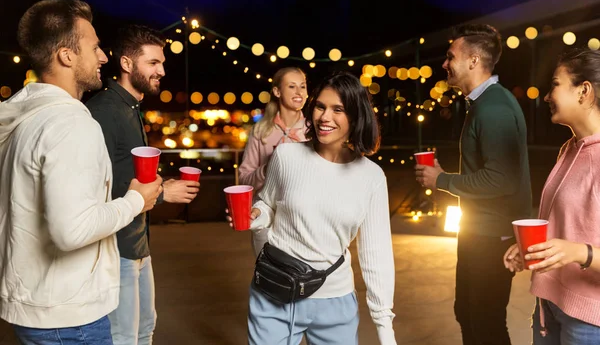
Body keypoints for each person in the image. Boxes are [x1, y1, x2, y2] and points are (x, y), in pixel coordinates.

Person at [0, 0, 162, 345]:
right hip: (69, 317)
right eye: (94, 47)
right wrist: (136, 199)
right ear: (66, 56)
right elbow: (71, 231)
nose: (103, 57)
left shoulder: (27, 116)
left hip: (38, 303)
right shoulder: (71, 123)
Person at [229, 71, 397, 344]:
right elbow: (267, 204)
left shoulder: (372, 177)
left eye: (338, 109)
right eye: (320, 106)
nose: (324, 117)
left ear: (356, 116)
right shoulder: (286, 156)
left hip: (335, 301)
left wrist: (384, 325)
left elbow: (376, 253)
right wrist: (256, 216)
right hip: (274, 292)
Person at [415, 23, 532, 345]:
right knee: (468, 313)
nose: (444, 64)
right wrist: (444, 177)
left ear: (473, 60)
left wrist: (442, 180)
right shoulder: (484, 103)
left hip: (491, 237)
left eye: (450, 56)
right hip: (479, 231)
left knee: (485, 321)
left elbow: (501, 179)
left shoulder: (493, 107)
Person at [86, 25, 200, 345]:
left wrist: (162, 183)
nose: (161, 70)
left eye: (161, 63)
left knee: (145, 329)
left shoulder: (131, 107)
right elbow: (96, 186)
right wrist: (164, 193)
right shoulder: (105, 111)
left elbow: (128, 173)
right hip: (115, 250)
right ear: (126, 64)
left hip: (139, 245)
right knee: (124, 338)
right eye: (152, 63)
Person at [504, 48, 600, 345]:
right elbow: (569, 222)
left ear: (584, 91)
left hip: (587, 320)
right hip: (550, 303)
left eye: (555, 85)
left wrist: (577, 252)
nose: (546, 96)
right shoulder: (570, 148)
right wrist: (534, 249)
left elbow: (577, 245)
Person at [238, 67, 308, 257]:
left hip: (304, 221)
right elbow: (244, 179)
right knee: (270, 280)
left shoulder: (314, 131)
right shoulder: (260, 130)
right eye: (292, 86)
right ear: (277, 91)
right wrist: (269, 168)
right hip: (266, 220)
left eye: (302, 86)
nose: (299, 92)